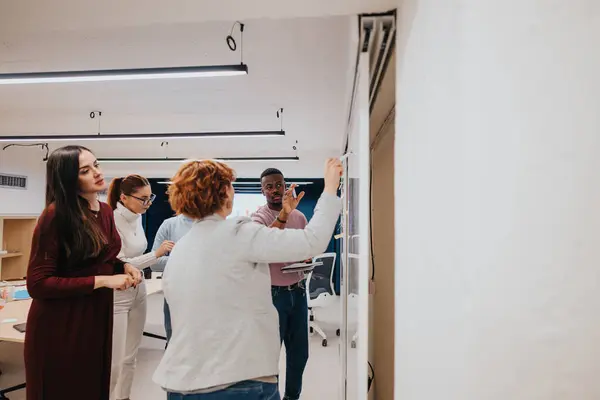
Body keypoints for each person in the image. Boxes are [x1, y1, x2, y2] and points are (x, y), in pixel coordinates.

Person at [152, 158, 342, 400]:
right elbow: (312, 241)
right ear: (225, 193)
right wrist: (330, 188)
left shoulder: (180, 248)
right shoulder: (238, 232)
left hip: (179, 385)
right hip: (235, 382)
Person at [25, 145, 142, 400]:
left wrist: (125, 266)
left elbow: (103, 257)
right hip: (61, 324)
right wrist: (104, 281)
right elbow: (38, 283)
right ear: (68, 179)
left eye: (96, 165)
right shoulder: (55, 216)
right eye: (85, 171)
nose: (97, 173)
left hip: (94, 316)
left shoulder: (106, 211)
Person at [107, 175, 175, 400]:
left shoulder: (136, 217)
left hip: (139, 290)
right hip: (118, 295)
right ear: (124, 197)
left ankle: (123, 397)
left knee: (130, 356)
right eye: (143, 199)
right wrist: (155, 255)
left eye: (150, 198)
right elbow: (119, 265)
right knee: (115, 361)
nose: (148, 204)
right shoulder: (113, 220)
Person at [251, 168, 310, 400]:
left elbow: (304, 248)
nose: (275, 190)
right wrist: (284, 214)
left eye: (279, 185)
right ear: (262, 190)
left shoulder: (300, 217)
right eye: (269, 186)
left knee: (299, 354)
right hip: (273, 295)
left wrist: (306, 257)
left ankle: (291, 398)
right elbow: (264, 245)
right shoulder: (258, 217)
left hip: (298, 291)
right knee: (269, 354)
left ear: (285, 186)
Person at [152, 213, 195, 345]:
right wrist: (188, 259)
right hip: (176, 292)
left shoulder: (216, 227)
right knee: (174, 342)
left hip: (207, 294)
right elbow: (155, 263)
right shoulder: (170, 225)